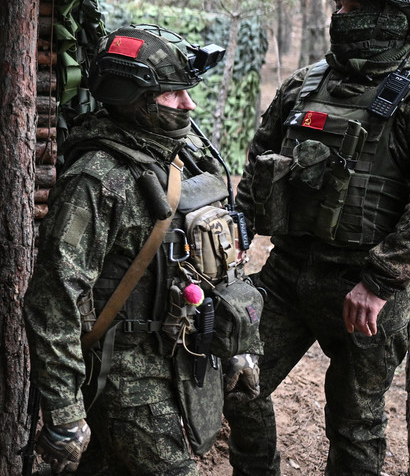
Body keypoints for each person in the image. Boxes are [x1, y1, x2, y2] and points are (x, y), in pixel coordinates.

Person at [224, 0, 410, 475]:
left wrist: (380, 280)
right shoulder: (306, 84)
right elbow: (260, 161)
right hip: (287, 274)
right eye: (339, 5)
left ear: (394, 17)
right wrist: (238, 231)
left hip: (363, 291)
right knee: (234, 381)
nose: (340, 15)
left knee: (354, 427)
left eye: (354, 7)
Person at [24, 24, 263, 475]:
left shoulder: (182, 155)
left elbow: (219, 264)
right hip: (124, 374)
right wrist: (64, 413)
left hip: (181, 356)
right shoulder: (96, 181)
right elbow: (51, 302)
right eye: (173, 95)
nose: (188, 105)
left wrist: (237, 346)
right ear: (134, 98)